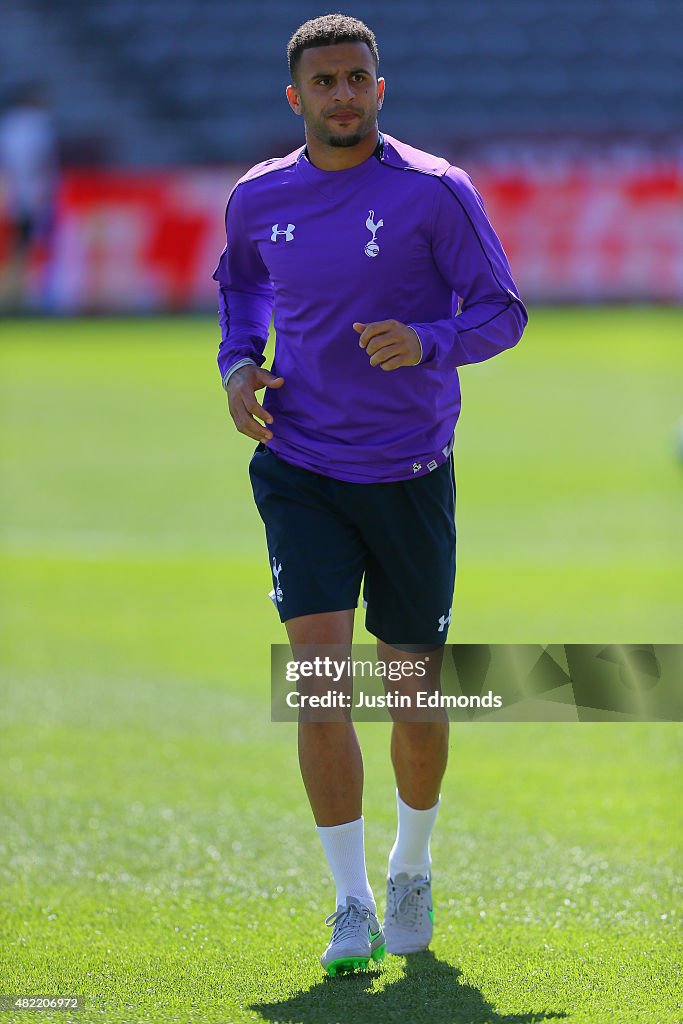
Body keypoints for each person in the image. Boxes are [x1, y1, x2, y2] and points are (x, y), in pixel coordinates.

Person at [213, 14, 527, 976]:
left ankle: (410, 866)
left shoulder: (436, 193)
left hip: (408, 474)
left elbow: (501, 311)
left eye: (357, 79)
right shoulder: (257, 196)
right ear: (295, 97)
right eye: (325, 82)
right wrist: (237, 366)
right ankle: (348, 902)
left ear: (379, 90)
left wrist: (428, 341)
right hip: (301, 467)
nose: (342, 95)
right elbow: (242, 292)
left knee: (412, 693)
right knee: (318, 682)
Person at [0, 84, 58, 312]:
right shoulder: (37, 124)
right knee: (25, 247)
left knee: (14, 247)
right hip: (29, 195)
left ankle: (12, 296)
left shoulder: (9, 124)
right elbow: (40, 162)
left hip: (11, 193)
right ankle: (22, 297)